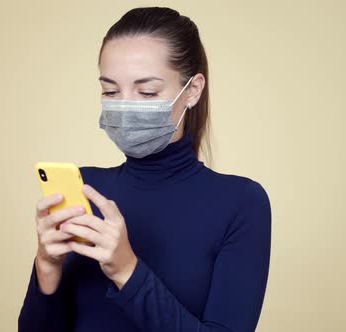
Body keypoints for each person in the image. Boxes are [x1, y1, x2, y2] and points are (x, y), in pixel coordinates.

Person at [18, 7, 271, 332]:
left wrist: (126, 270)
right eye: (110, 91)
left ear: (192, 90)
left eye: (147, 91)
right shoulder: (85, 188)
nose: (124, 106)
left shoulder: (241, 203)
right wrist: (47, 266)